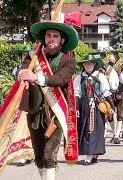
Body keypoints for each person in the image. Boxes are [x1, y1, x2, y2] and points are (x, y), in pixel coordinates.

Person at [18, 21, 78, 179]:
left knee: (48, 157)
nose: (51, 39)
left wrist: (36, 77)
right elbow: (22, 70)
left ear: (62, 41)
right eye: (48, 36)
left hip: (55, 114)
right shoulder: (33, 58)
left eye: (55, 36)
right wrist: (22, 74)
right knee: (38, 157)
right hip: (34, 113)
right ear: (44, 39)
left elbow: (59, 79)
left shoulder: (68, 61)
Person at [74, 54, 115, 165]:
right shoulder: (79, 77)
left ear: (94, 64)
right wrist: (76, 108)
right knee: (86, 128)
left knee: (95, 130)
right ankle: (91, 152)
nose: (88, 65)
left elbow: (106, 92)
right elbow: (76, 94)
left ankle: (92, 154)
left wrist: (112, 106)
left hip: (96, 106)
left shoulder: (100, 77)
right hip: (83, 106)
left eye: (90, 63)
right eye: (86, 63)